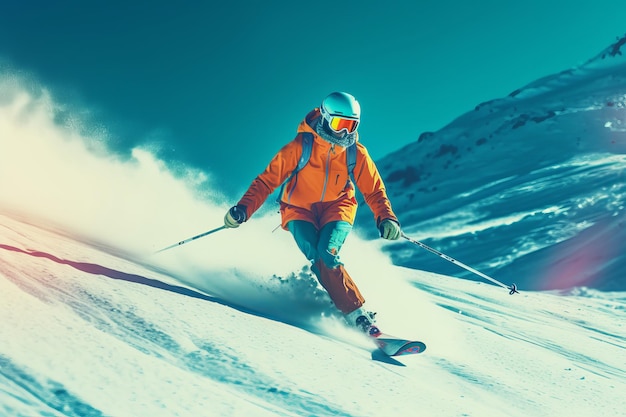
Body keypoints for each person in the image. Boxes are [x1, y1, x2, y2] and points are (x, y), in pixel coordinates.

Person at [223, 92, 401, 333]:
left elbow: (374, 190)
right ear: (326, 119)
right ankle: (338, 297)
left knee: (327, 253)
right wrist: (243, 209)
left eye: (352, 126)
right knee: (316, 256)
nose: (345, 133)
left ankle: (357, 315)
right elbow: (266, 182)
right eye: (340, 124)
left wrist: (386, 217)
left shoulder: (355, 153)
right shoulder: (299, 147)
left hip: (338, 207)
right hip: (298, 209)